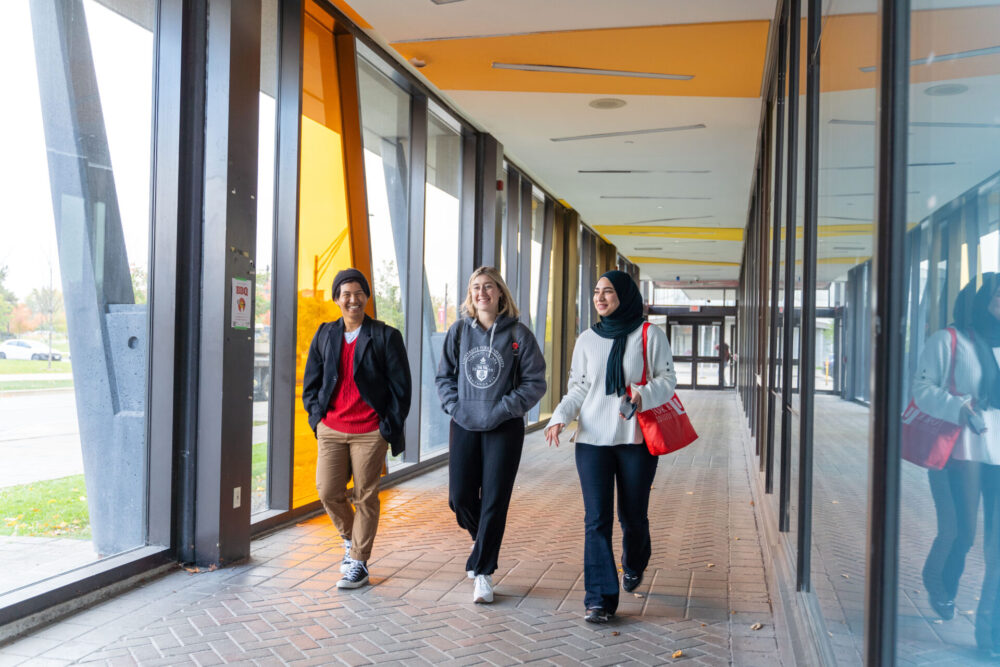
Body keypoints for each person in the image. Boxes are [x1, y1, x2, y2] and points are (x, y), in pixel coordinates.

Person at [545, 270, 677, 624]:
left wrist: (642, 393)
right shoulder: (587, 339)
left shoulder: (649, 335)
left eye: (608, 291)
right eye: (596, 291)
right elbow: (579, 386)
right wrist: (560, 415)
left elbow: (668, 380)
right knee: (596, 520)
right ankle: (599, 600)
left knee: (632, 517)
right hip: (592, 441)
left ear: (625, 296)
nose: (600, 297)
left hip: (635, 441)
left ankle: (634, 563)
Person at [436, 266, 546, 604]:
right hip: (465, 423)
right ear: (470, 295)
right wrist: (457, 408)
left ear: (499, 293)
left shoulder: (519, 335)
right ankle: (481, 539)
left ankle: (483, 572)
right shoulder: (458, 332)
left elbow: (535, 383)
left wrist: (502, 409)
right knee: (460, 497)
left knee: (495, 500)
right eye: (475, 288)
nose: (481, 293)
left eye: (488, 287)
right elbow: (444, 379)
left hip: (504, 427)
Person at [302, 268, 411, 590]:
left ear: (367, 297)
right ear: (337, 299)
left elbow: (400, 388)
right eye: (345, 293)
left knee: (366, 495)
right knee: (328, 491)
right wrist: (317, 419)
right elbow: (312, 383)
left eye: (358, 293)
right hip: (332, 427)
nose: (352, 299)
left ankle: (359, 563)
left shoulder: (385, 336)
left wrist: (386, 425)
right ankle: (352, 540)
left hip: (369, 430)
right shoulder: (325, 334)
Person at [914, 273, 1000, 653]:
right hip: (960, 452)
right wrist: (960, 407)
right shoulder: (950, 340)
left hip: (997, 456)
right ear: (982, 299)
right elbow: (921, 389)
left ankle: (989, 636)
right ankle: (940, 583)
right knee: (961, 533)